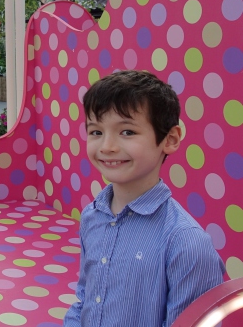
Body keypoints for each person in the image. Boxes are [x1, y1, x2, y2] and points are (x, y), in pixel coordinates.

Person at [63, 71, 224, 327]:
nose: (107, 146)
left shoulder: (186, 243)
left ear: (170, 139)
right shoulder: (92, 216)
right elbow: (85, 298)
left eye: (127, 132)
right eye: (95, 132)